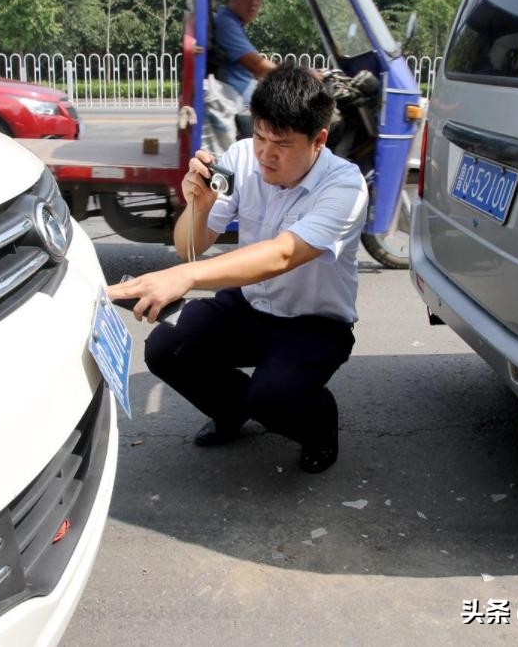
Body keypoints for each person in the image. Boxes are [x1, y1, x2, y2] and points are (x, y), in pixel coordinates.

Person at [106, 66, 368, 473]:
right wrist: (199, 204)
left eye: (281, 143)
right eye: (261, 136)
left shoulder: (345, 187)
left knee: (272, 398)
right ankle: (233, 410)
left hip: (314, 325)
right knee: (166, 348)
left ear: (319, 140)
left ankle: (318, 427)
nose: (265, 154)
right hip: (247, 308)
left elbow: (282, 255)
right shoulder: (241, 158)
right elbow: (189, 247)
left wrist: (184, 277)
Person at [214, 0, 278, 105]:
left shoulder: (233, 23)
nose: (253, 3)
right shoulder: (226, 24)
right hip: (241, 107)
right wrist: (300, 76)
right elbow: (257, 65)